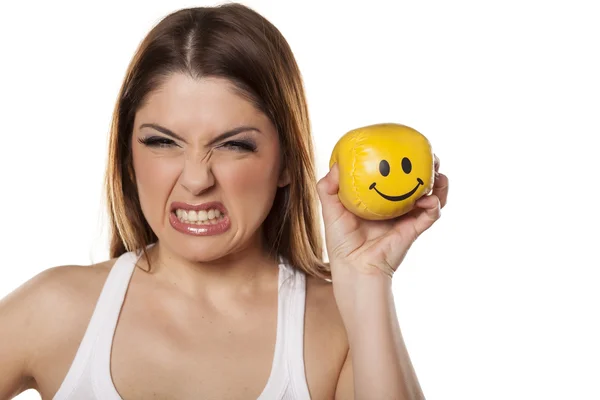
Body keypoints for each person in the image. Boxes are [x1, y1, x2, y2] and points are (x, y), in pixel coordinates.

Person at [0, 3, 449, 400]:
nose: (196, 179)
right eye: (162, 142)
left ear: (287, 162)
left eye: (234, 146)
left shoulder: (341, 328)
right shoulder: (54, 310)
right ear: (128, 157)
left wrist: (367, 278)